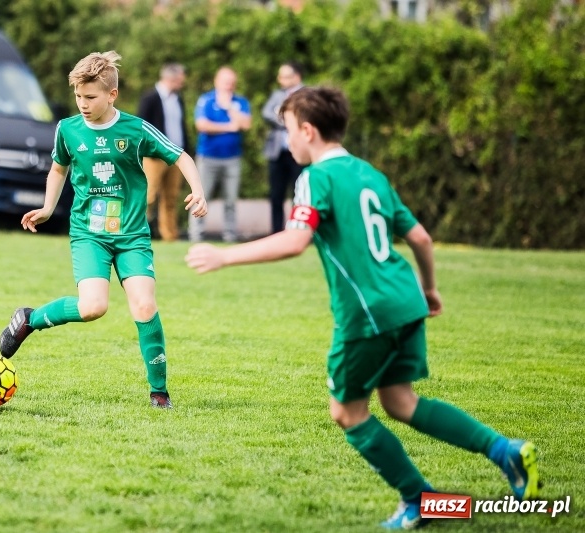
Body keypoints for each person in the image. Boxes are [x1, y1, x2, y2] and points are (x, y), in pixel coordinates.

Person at [186, 86, 540, 528]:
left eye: (289, 130)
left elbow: (296, 241)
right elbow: (421, 239)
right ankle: (504, 450)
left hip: (368, 311)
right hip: (405, 299)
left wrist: (224, 255)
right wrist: (430, 290)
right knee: (401, 401)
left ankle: (419, 499)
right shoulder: (371, 174)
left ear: (309, 130)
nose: (288, 139)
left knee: (347, 412)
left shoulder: (316, 178)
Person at [0, 51, 207, 409]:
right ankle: (29, 320)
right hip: (89, 234)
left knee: (144, 305)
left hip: (131, 236)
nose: (83, 104)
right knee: (93, 307)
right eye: (78, 96)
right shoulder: (67, 129)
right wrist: (48, 208)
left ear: (112, 95)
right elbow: (58, 170)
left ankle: (159, 392)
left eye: (90, 97)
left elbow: (180, 156)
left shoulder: (135, 129)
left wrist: (198, 190)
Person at [188, 66, 251, 243]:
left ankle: (230, 235)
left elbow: (246, 124)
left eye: (231, 82)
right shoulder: (206, 100)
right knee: (200, 196)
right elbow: (202, 125)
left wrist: (229, 108)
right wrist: (229, 127)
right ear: (217, 81)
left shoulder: (239, 102)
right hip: (208, 157)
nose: (228, 86)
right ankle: (195, 234)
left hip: (232, 158)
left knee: (230, 199)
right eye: (225, 82)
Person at [137, 63, 189, 242]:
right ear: (171, 79)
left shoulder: (178, 99)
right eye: (180, 80)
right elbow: (141, 127)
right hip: (155, 156)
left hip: (175, 155)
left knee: (171, 197)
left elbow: (181, 127)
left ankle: (169, 235)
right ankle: (137, 231)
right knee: (149, 195)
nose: (182, 83)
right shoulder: (150, 98)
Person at [262, 61, 305, 234]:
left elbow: (306, 116)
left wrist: (281, 114)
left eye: (285, 76)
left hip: (299, 154)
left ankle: (299, 230)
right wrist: (289, 120)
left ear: (296, 76)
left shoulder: (306, 93)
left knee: (300, 193)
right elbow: (266, 113)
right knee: (276, 195)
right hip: (278, 152)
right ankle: (276, 232)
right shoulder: (277, 94)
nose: (281, 80)